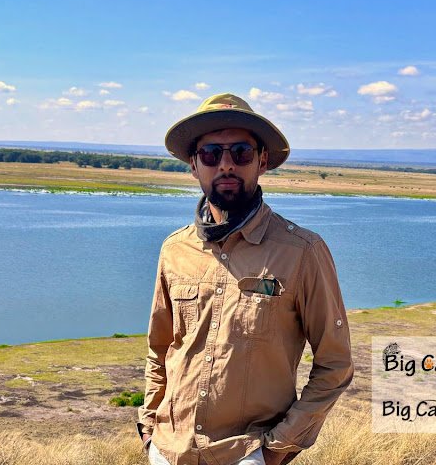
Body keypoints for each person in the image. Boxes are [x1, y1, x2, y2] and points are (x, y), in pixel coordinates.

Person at [137, 93, 354, 465]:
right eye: (210, 154)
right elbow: (160, 348)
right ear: (194, 165)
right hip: (169, 449)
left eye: (241, 153)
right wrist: (149, 429)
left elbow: (335, 364)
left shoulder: (301, 251)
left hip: (247, 452)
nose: (226, 165)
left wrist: (274, 450)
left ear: (262, 161)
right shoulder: (175, 249)